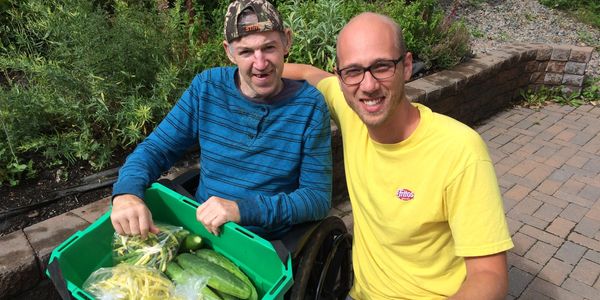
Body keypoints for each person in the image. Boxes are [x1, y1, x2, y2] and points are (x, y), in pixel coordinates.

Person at [284, 12, 514, 299]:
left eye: (381, 66)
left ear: (406, 66)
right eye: (353, 71)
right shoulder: (351, 112)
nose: (367, 86)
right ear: (341, 77)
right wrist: (241, 74)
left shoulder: (460, 150)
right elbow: (308, 74)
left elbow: (490, 275)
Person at [110, 0, 332, 240]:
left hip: (265, 243)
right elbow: (155, 149)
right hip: (204, 229)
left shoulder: (309, 106)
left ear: (286, 41)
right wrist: (126, 193)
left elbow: (317, 198)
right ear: (229, 51)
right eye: (246, 51)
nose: (260, 63)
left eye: (269, 48)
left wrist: (242, 210)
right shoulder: (207, 88)